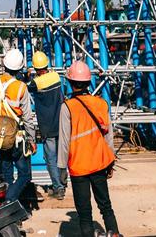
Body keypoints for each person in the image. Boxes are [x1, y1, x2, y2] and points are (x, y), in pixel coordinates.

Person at [57, 61, 120, 237]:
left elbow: (63, 141)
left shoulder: (67, 107)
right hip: (99, 163)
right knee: (106, 206)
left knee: (85, 214)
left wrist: (61, 168)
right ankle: (114, 233)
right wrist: (111, 161)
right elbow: (109, 135)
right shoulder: (101, 104)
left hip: (79, 167)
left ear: (70, 82)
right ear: (88, 82)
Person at [0, 47, 36, 202]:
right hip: (16, 137)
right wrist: (32, 140)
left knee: (6, 171)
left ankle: (8, 206)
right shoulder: (21, 87)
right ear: (19, 68)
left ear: (4, 65)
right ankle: (10, 200)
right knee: (24, 174)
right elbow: (27, 117)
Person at [28, 51, 65, 199]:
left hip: (47, 126)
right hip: (60, 122)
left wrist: (28, 77)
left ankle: (58, 188)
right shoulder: (56, 76)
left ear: (36, 68)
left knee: (50, 158)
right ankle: (62, 181)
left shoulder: (36, 83)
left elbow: (26, 88)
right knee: (61, 156)